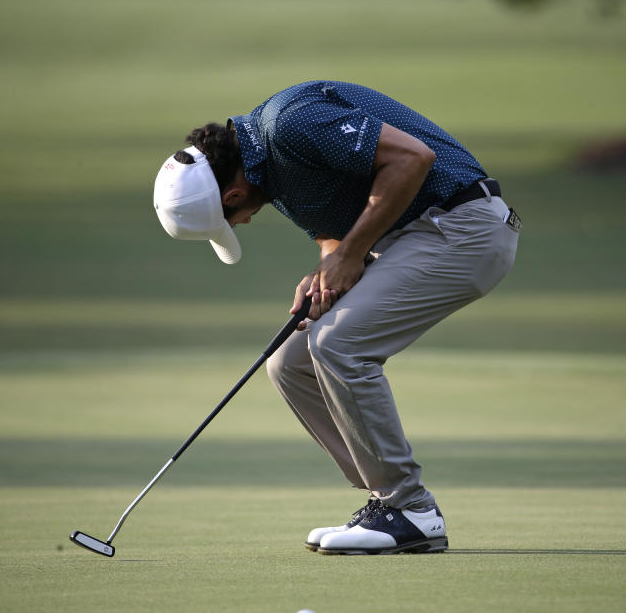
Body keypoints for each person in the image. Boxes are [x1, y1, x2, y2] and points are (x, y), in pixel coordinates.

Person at [153, 80, 521, 555]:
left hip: (464, 226)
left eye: (231, 221)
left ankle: (408, 509)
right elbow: (333, 231)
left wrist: (350, 254)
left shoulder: (287, 126)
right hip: (414, 237)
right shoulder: (270, 170)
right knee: (291, 362)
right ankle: (384, 503)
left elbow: (413, 159)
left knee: (338, 343)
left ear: (234, 195)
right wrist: (328, 271)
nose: (240, 225)